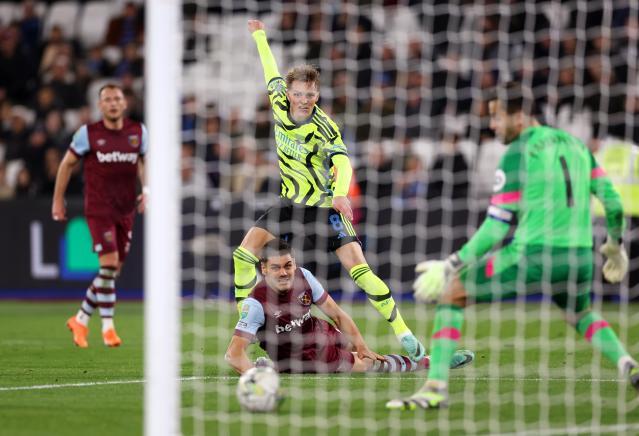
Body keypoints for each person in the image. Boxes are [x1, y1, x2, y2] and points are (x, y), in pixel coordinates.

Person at [386, 81, 638, 410]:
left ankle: (434, 389)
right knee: (580, 312)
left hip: (532, 253)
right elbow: (614, 204)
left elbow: (495, 227)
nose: (492, 125)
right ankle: (628, 364)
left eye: (497, 117)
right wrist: (614, 245)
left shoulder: (518, 153)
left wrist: (450, 264)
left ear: (519, 116)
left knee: (453, 293)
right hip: (580, 256)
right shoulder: (577, 146)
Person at [232, 19, 426, 362]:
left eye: (310, 94)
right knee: (244, 255)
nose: (304, 99)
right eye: (298, 93)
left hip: (324, 207)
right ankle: (250, 326)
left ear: (317, 95)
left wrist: (340, 193)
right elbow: (269, 66)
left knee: (361, 273)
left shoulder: (325, 127)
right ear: (289, 93)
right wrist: (259, 34)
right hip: (289, 204)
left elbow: (345, 163)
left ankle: (403, 332)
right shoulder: (278, 101)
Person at [225, 240, 474, 374]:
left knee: (360, 349)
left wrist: (362, 345)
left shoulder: (304, 276)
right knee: (369, 364)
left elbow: (337, 314)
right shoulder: (256, 303)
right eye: (276, 268)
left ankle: (270, 368)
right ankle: (433, 362)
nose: (284, 272)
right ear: (264, 269)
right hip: (304, 357)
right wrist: (254, 381)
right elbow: (233, 354)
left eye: (288, 265)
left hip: (318, 331)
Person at [52, 83, 148, 348]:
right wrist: (58, 200)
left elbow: (143, 161)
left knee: (112, 271)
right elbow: (66, 164)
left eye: (117, 98)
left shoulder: (138, 132)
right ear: (100, 105)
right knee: (108, 265)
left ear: (125, 103)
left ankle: (80, 319)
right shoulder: (88, 134)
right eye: (107, 99)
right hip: (98, 209)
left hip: (126, 209)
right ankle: (108, 327)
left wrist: (147, 189)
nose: (113, 103)